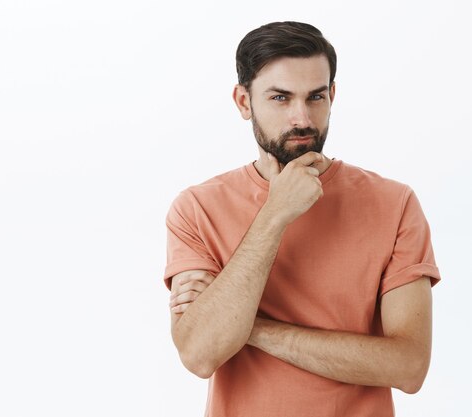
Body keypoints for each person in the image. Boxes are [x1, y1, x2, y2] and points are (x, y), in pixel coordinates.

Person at [163, 21, 441, 417]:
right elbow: (200, 354)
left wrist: (250, 328)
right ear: (244, 102)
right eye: (280, 98)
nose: (302, 118)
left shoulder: (394, 203)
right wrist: (275, 214)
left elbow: (409, 367)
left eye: (315, 97)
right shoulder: (196, 208)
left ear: (332, 94)